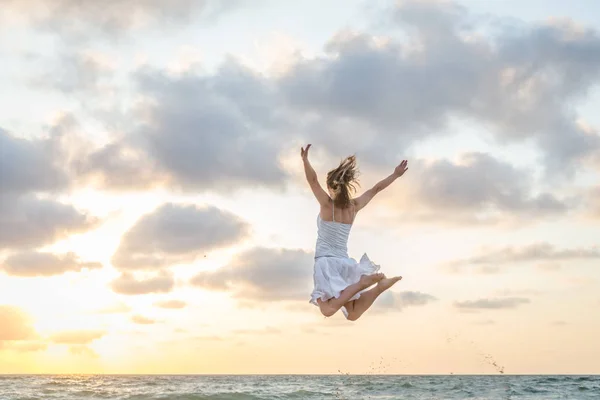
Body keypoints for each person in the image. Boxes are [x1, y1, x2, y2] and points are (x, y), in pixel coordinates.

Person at [301, 144, 408, 321]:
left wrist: (305, 160)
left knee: (327, 310)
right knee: (352, 313)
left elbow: (312, 181)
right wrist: (395, 175)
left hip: (326, 262)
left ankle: (361, 284)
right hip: (344, 263)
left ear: (330, 187)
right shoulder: (354, 206)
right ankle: (379, 288)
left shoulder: (328, 205)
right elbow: (376, 189)